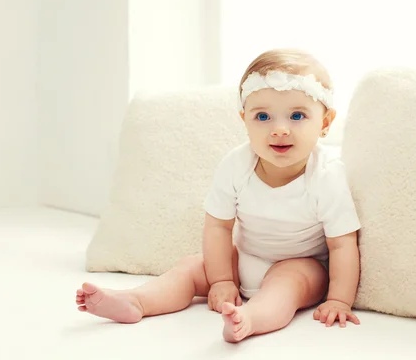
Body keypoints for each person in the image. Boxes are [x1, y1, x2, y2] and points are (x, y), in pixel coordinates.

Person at [75, 48, 362, 342]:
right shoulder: (236, 165)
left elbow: (342, 245)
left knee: (287, 283)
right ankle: (137, 301)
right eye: (262, 116)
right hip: (244, 258)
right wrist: (222, 278)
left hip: (303, 264)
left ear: (325, 123)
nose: (279, 129)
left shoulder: (326, 176)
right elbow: (218, 227)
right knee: (189, 267)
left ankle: (249, 320)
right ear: (244, 120)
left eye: (297, 115)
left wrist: (339, 300)